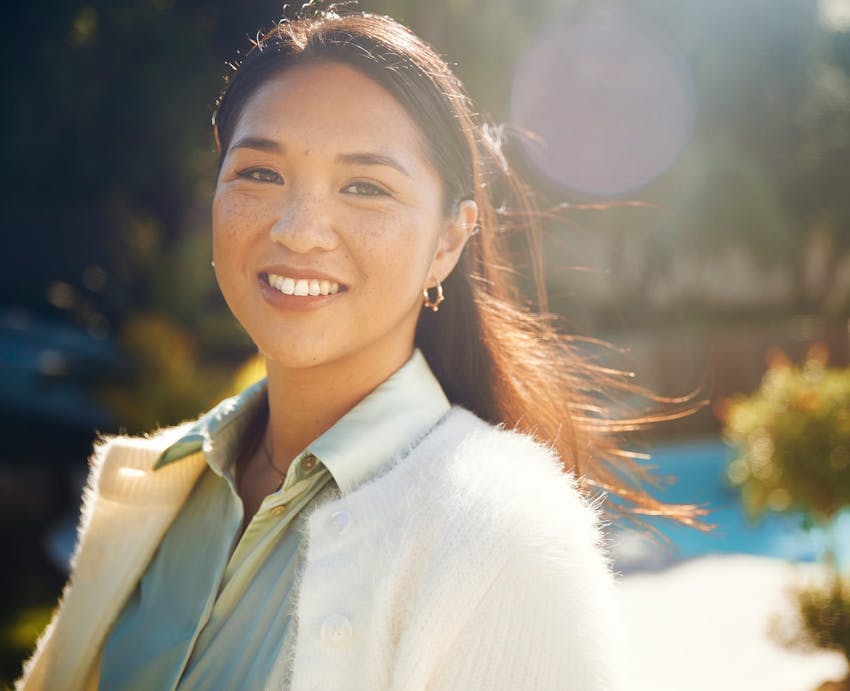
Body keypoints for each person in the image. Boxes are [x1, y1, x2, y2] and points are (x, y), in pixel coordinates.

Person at [18, 7, 700, 690]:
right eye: (259, 173)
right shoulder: (157, 486)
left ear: (447, 241)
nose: (299, 229)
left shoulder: (504, 538)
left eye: (366, 186)